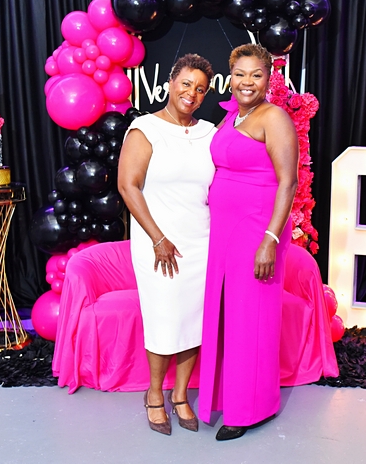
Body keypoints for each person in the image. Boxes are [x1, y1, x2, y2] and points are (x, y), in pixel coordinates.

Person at [197, 43, 299, 441]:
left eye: (256, 75)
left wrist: (270, 239)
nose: (247, 82)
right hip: (225, 231)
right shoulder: (232, 116)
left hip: (257, 230)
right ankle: (228, 396)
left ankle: (250, 409)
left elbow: (288, 182)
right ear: (230, 77)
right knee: (228, 316)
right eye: (240, 74)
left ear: (269, 78)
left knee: (250, 319)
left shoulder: (274, 118)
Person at [117, 54, 216, 435]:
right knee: (164, 320)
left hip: (201, 241)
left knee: (194, 322)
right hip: (157, 242)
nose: (192, 93)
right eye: (186, 83)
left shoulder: (210, 133)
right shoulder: (145, 129)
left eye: (200, 89)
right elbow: (128, 186)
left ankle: (180, 395)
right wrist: (157, 237)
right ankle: (155, 394)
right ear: (171, 83)